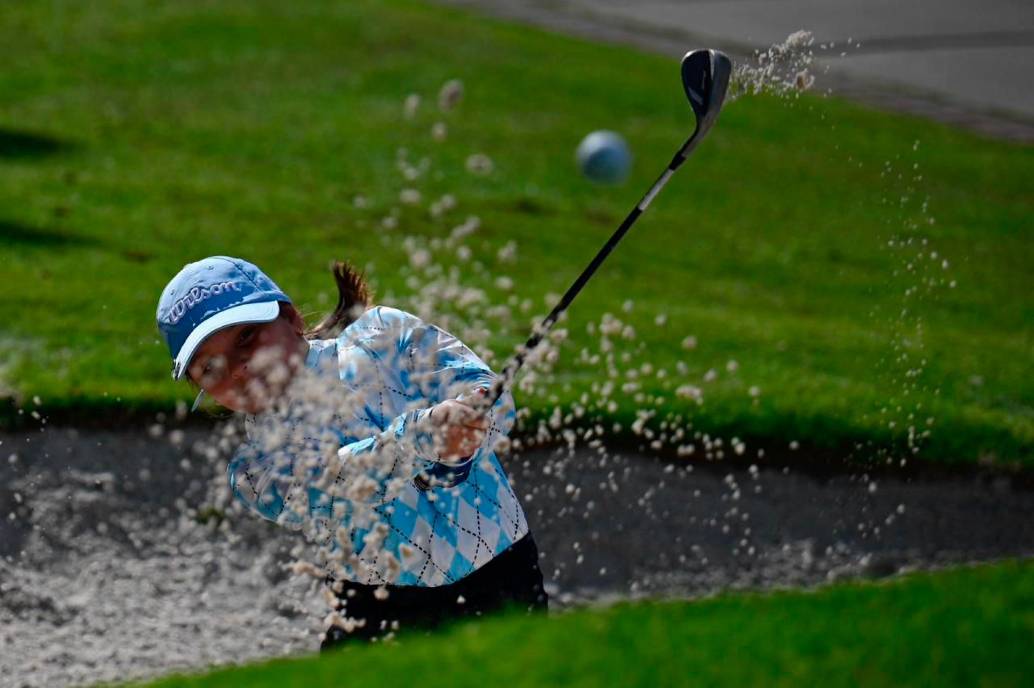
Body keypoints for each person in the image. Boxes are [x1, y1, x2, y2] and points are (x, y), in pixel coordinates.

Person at [156, 255, 547, 649]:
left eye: (246, 337)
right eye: (211, 369)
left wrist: (468, 426)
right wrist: (422, 437)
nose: (238, 368)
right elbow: (342, 482)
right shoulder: (255, 470)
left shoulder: (385, 334)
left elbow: (493, 398)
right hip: (381, 614)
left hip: (505, 577)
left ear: (290, 320)